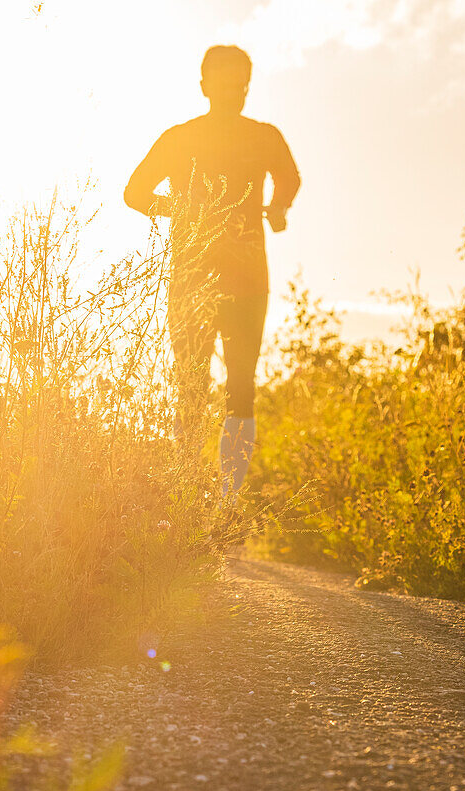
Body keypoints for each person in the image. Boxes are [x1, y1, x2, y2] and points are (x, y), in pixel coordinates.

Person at [124, 44, 300, 497]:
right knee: (193, 387)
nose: (233, 91)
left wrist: (280, 206)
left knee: (239, 385)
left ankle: (226, 503)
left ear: (248, 86)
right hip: (193, 280)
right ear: (203, 86)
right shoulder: (180, 137)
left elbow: (289, 178)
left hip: (245, 285)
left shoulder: (264, 136)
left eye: (239, 83)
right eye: (224, 82)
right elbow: (135, 192)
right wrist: (182, 211)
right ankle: (188, 497)